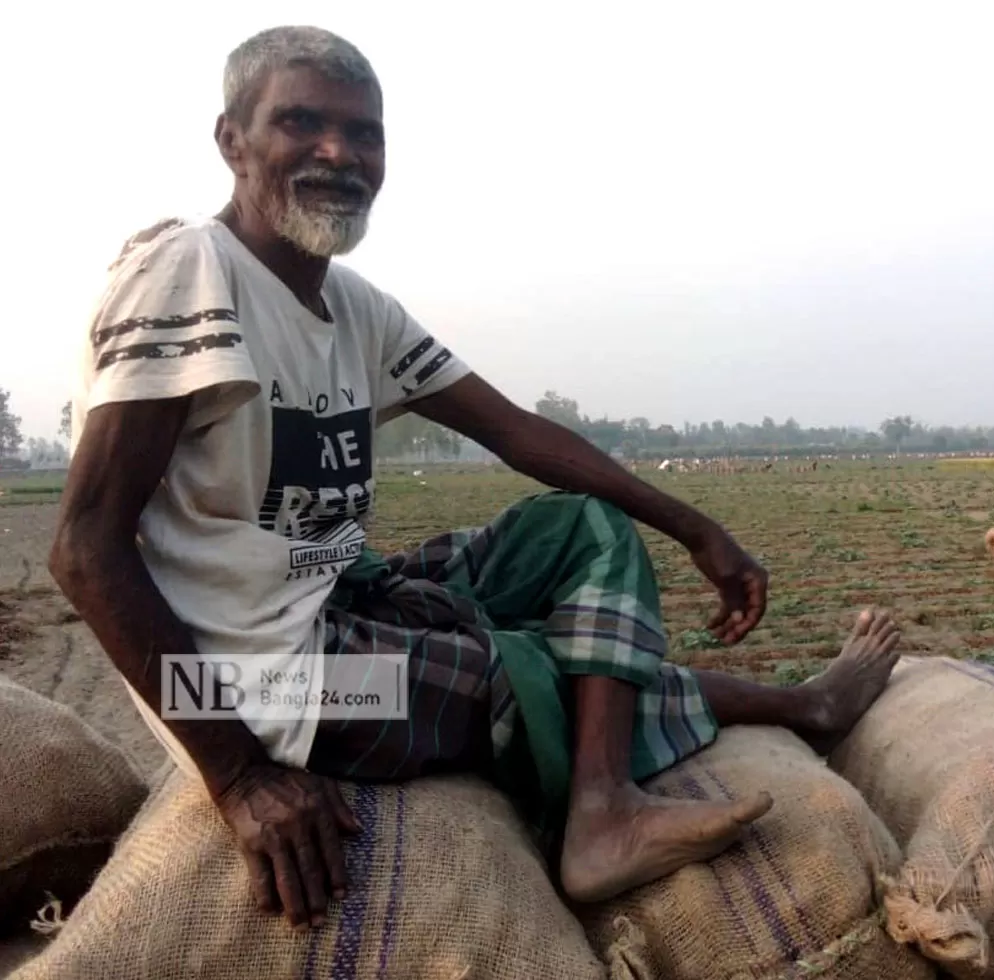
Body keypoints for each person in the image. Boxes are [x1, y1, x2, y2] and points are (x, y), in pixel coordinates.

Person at [49, 25, 901, 932]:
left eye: (363, 133)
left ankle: (605, 801)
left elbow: (514, 431)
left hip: (341, 598)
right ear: (232, 140)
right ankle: (799, 708)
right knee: (530, 673)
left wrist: (695, 527)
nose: (339, 152)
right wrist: (240, 774)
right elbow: (83, 548)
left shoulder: (353, 305)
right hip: (281, 686)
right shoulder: (189, 273)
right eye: (300, 122)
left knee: (585, 527)